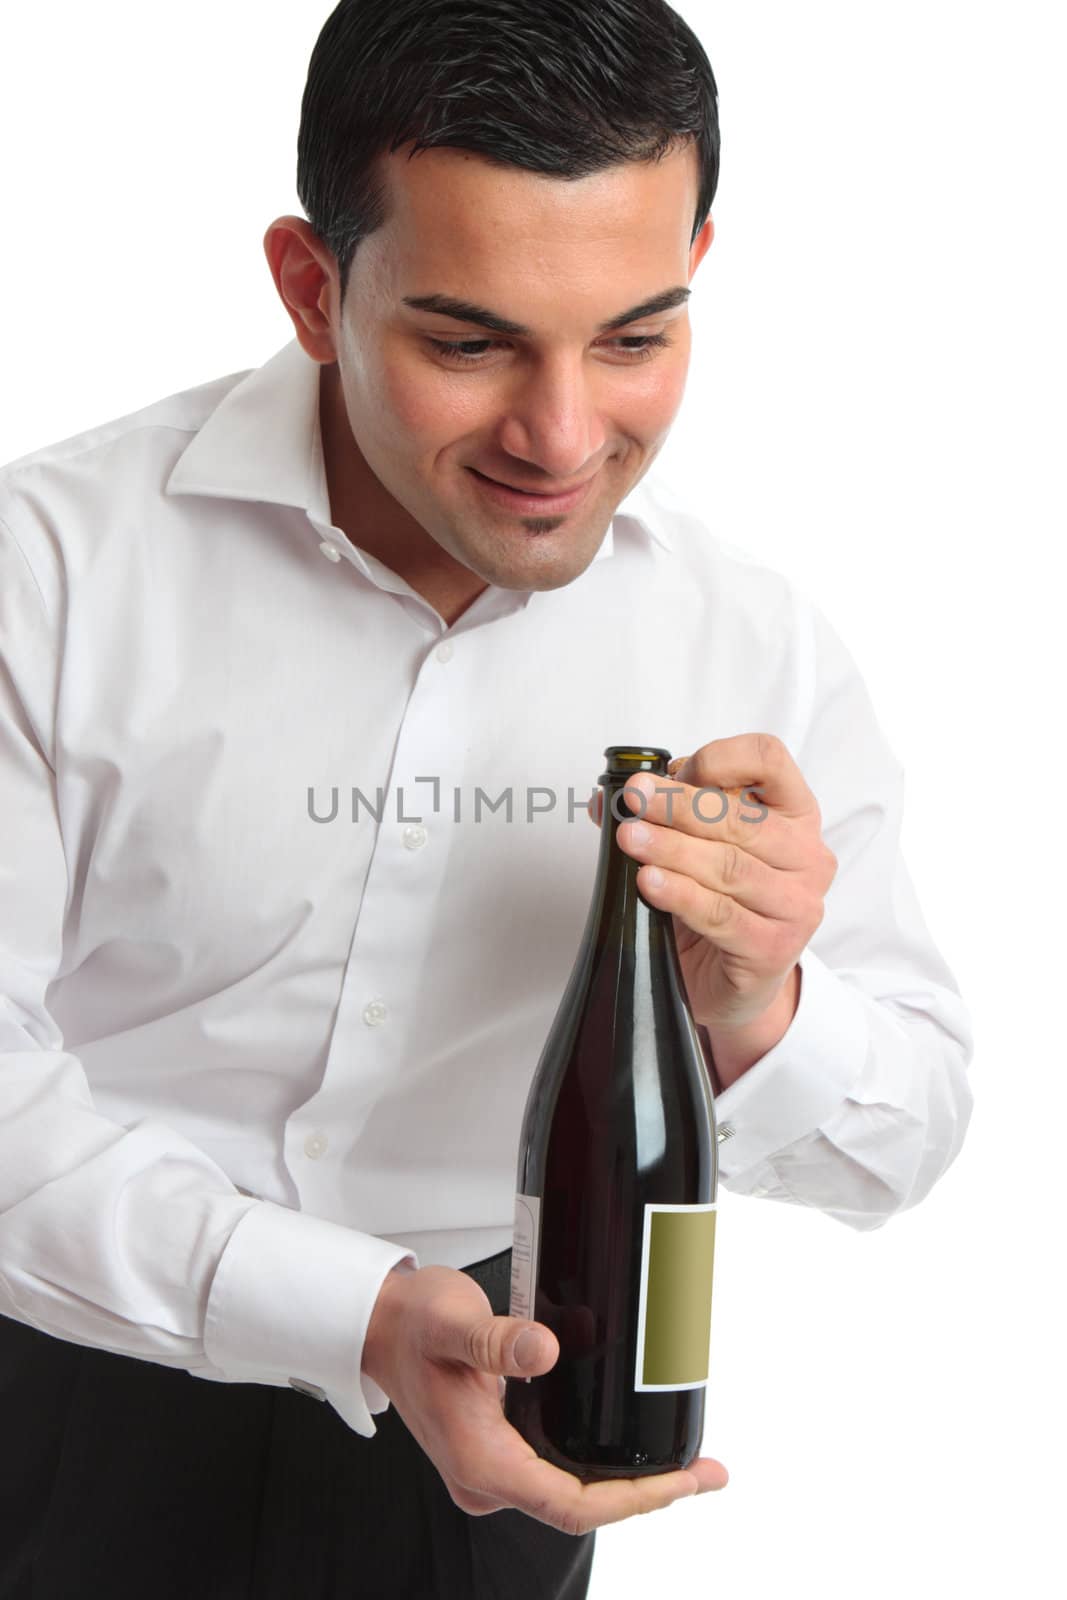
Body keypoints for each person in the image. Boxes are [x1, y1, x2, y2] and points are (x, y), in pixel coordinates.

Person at [0, 0, 975, 1595]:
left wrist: (758, 1002)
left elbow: (906, 1137)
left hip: (500, 1440)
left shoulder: (746, 641)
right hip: (57, 1380)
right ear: (314, 291)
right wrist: (353, 1311)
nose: (563, 436)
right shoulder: (44, 569)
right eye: (469, 342)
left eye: (635, 338)